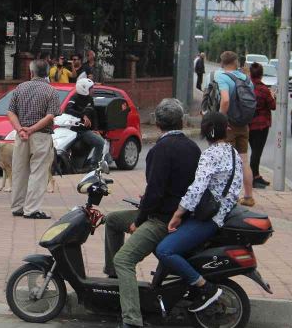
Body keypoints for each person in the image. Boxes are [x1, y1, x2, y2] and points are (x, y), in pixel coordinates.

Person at [103, 98, 201, 328]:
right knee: (113, 220)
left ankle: (132, 319)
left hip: (161, 220)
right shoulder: (193, 148)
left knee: (124, 259)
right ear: (182, 122)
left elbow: (155, 192)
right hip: (180, 214)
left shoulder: (160, 150)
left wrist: (140, 220)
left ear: (157, 123)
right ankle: (115, 277)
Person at [156, 111, 243, 313]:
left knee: (164, 250)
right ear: (226, 129)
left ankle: (205, 288)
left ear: (205, 131)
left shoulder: (210, 155)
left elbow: (197, 189)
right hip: (221, 215)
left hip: (207, 219)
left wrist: (177, 214)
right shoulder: (233, 153)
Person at [7, 59, 61, 220]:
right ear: (47, 73)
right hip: (41, 135)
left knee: (19, 171)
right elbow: (51, 116)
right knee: (38, 172)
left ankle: (18, 206)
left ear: (31, 73)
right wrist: (32, 129)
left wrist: (20, 130)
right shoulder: (51, 91)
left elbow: (10, 112)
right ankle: (31, 209)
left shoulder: (20, 88)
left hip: (21, 136)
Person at [216, 51, 256, 207]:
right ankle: (248, 197)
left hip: (229, 125)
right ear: (235, 62)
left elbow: (225, 100)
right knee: (244, 161)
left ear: (223, 63)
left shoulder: (222, 77)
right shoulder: (246, 78)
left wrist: (221, 119)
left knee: (226, 162)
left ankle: (226, 197)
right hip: (244, 124)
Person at [63, 78, 105, 169]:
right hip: (73, 130)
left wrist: (95, 129)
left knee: (100, 142)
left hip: (85, 131)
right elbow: (68, 109)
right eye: (91, 88)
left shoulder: (90, 99)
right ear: (84, 89)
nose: (93, 90)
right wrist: (82, 116)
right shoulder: (74, 97)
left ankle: (93, 165)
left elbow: (94, 115)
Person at [249, 62, 275, 189]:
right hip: (261, 125)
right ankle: (254, 178)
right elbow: (273, 106)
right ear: (261, 74)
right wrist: (273, 95)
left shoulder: (246, 87)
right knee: (256, 151)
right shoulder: (263, 89)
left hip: (247, 123)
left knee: (252, 150)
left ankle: (256, 175)